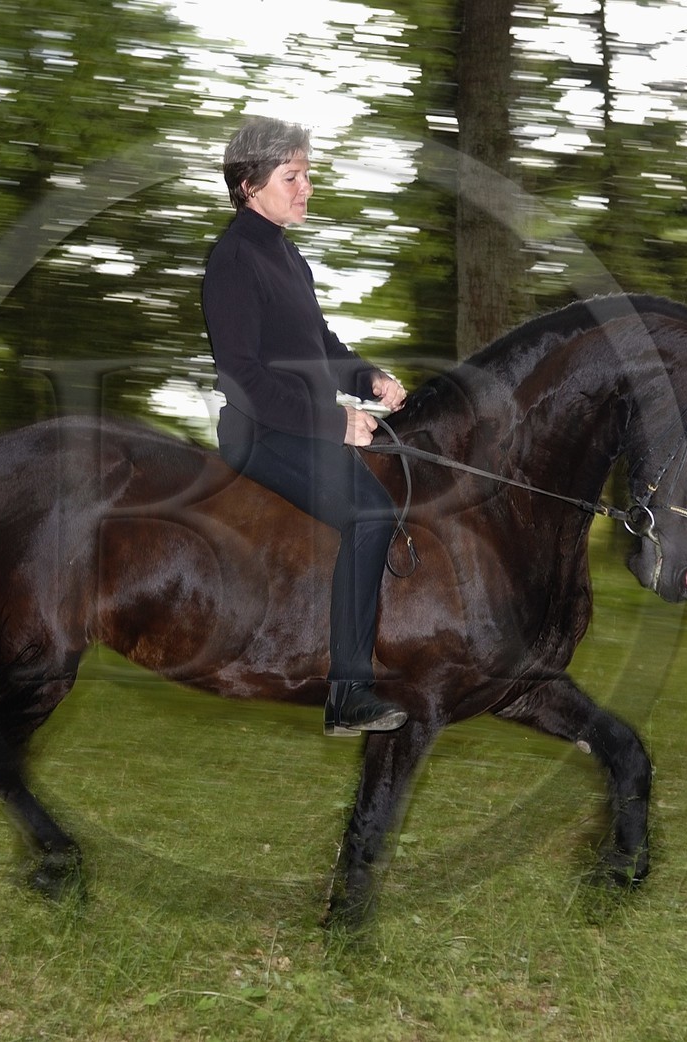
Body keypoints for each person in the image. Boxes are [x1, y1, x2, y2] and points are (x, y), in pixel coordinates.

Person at [202, 115, 410, 737]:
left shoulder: (289, 257)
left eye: (307, 174)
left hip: (305, 430)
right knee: (371, 515)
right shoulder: (234, 259)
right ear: (249, 186)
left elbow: (320, 345)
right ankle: (348, 693)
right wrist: (335, 422)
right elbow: (242, 376)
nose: (306, 188)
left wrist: (369, 377)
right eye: (291, 176)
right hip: (260, 434)